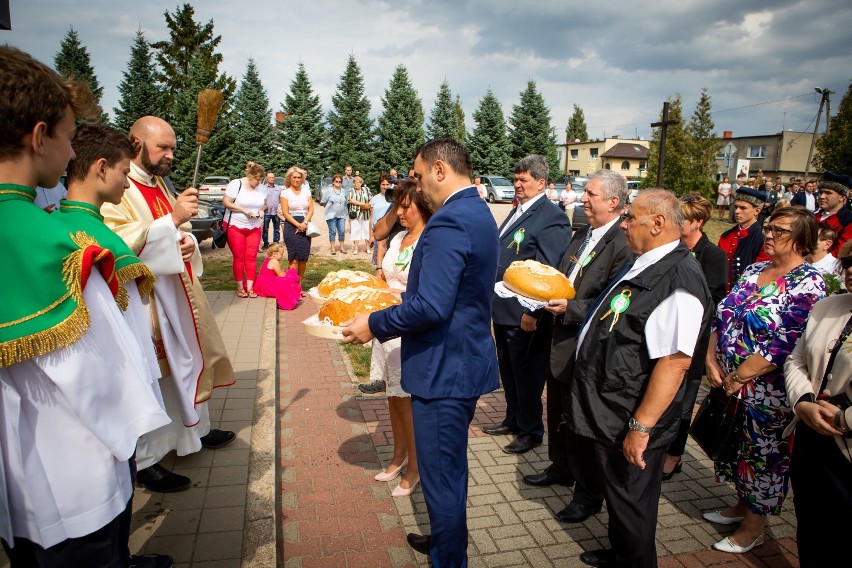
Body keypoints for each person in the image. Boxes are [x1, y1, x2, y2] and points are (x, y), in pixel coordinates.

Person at [0, 46, 170, 568]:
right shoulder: (60, 250)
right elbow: (104, 378)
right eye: (69, 136)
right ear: (39, 136)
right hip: (72, 476)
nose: (71, 152)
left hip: (15, 483)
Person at [341, 138, 499, 566]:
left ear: (441, 169)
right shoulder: (477, 211)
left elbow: (431, 306)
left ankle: (448, 558)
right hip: (460, 361)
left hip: (444, 369)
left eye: (419, 173)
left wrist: (372, 323)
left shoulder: (449, 222)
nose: (417, 183)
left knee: (441, 475)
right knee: (447, 469)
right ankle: (447, 540)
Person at [565, 189, 711, 568]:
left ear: (658, 223)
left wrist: (640, 428)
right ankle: (621, 553)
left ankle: (634, 560)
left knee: (632, 505)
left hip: (630, 413)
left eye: (631, 218)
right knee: (619, 499)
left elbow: (675, 363)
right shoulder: (647, 260)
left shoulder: (678, 279)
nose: (625, 224)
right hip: (611, 404)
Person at [58, 123, 174, 568]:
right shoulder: (83, 236)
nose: (129, 183)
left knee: (118, 489)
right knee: (101, 497)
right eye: (124, 172)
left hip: (108, 389)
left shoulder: (81, 226)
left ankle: (122, 555)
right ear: (101, 167)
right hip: (98, 393)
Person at [103, 116, 236, 494]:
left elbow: (175, 231)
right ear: (136, 143)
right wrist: (172, 222)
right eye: (163, 147)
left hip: (178, 291)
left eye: (173, 147)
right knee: (156, 376)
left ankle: (194, 430)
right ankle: (148, 460)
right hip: (145, 301)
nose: (170, 155)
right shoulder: (120, 186)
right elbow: (115, 238)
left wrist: (187, 241)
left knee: (190, 359)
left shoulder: (159, 182)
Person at [703, 206, 825, 554]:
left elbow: (785, 342)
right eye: (769, 228)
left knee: (763, 456)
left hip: (766, 392)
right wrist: (711, 360)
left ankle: (754, 528)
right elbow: (722, 314)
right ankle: (741, 506)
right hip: (728, 381)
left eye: (780, 231)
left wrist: (740, 375)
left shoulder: (809, 282)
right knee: (737, 447)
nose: (769, 235)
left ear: (802, 240)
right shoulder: (755, 269)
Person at [527, 169, 633, 528]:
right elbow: (562, 275)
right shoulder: (585, 232)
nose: (581, 199)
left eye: (590, 194)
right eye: (584, 193)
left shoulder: (623, 243)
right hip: (561, 339)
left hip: (588, 346)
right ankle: (561, 467)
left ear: (614, 202)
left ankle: (588, 495)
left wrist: (570, 309)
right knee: (557, 408)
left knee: (582, 423)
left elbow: (615, 303)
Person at [485, 155, 570, 454]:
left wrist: (531, 311)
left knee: (528, 373)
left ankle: (532, 430)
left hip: (525, 314)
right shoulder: (519, 209)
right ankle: (513, 418)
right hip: (504, 309)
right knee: (508, 369)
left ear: (542, 183)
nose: (517, 185)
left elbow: (548, 269)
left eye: (524, 180)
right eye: (516, 179)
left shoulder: (551, 216)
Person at [784, 242, 852, 568]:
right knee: (810, 525)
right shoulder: (828, 307)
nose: (851, 270)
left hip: (846, 441)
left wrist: (844, 418)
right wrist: (803, 403)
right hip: (812, 437)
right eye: (848, 262)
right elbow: (796, 360)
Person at [371, 180, 432, 497]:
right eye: (398, 206)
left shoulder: (428, 242)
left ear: (423, 206)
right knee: (393, 399)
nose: (401, 212)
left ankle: (416, 467)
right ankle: (398, 456)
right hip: (387, 326)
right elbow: (387, 267)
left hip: (407, 328)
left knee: (407, 401)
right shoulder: (398, 238)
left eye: (406, 206)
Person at [661, 194, 728, 480]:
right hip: (667, 336)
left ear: (697, 223)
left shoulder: (712, 255)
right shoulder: (671, 248)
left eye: (683, 219)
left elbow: (712, 300)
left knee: (683, 402)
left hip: (694, 342)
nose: (677, 223)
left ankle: (673, 456)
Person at [223, 161, 268, 298]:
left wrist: (261, 211)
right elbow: (226, 202)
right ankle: (240, 287)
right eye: (257, 179)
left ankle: (250, 288)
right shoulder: (237, 184)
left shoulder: (262, 188)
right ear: (250, 176)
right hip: (236, 225)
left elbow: (265, 205)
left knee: (251, 257)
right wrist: (243, 210)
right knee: (239, 258)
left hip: (254, 227)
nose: (259, 182)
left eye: (261, 179)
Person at [717, 187, 770, 292]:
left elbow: (761, 274)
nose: (737, 211)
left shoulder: (763, 239)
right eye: (736, 207)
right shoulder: (726, 236)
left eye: (743, 208)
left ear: (757, 210)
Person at [278, 166, 314, 283]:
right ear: (290, 178)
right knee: (293, 258)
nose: (297, 179)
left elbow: (311, 210)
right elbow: (285, 212)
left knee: (303, 258)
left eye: (299, 177)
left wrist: (304, 223)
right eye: (294, 177)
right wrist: (298, 225)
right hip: (291, 226)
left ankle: (299, 284)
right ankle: (292, 285)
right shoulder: (285, 193)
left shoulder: (306, 191)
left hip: (305, 224)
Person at [253, 244, 302, 310]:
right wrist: (286, 274)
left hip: (263, 281)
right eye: (281, 254)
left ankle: (293, 294)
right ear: (274, 254)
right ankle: (293, 296)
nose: (282, 256)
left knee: (288, 276)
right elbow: (281, 275)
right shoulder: (274, 261)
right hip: (268, 283)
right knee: (288, 280)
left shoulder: (267, 259)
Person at [815, 179, 852, 256]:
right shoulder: (812, 216)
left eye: (828, 193)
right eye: (821, 192)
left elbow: (840, 253)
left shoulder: (848, 220)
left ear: (842, 197)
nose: (822, 196)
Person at [369, 174, 394, 265]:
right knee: (378, 262)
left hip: (391, 232)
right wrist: (371, 236)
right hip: (378, 233)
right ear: (380, 185)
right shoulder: (375, 199)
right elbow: (371, 218)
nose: (385, 187)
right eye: (383, 184)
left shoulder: (394, 198)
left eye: (387, 184)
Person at [321, 173, 349, 254]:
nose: (338, 182)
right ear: (333, 182)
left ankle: (342, 247)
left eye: (340, 181)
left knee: (342, 231)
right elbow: (323, 201)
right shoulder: (329, 191)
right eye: (336, 181)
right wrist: (328, 208)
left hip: (341, 215)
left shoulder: (344, 191)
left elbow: (346, 201)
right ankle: (333, 248)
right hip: (331, 215)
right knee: (332, 231)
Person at [347, 175, 372, 254]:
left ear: (361, 183)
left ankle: (367, 247)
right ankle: (356, 248)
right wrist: (363, 204)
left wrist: (370, 203)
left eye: (358, 182)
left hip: (366, 213)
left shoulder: (366, 189)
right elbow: (351, 200)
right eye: (355, 182)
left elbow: (371, 197)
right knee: (355, 230)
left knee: (366, 230)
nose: (356, 184)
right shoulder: (351, 190)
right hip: (355, 213)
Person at [261, 171, 282, 249]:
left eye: (273, 177)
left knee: (276, 229)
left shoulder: (279, 189)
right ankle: (266, 244)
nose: (271, 179)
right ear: (266, 179)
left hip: (276, 212)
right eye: (269, 177)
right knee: (265, 229)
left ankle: (275, 243)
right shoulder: (263, 188)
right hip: (266, 212)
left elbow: (281, 200)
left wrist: (280, 209)